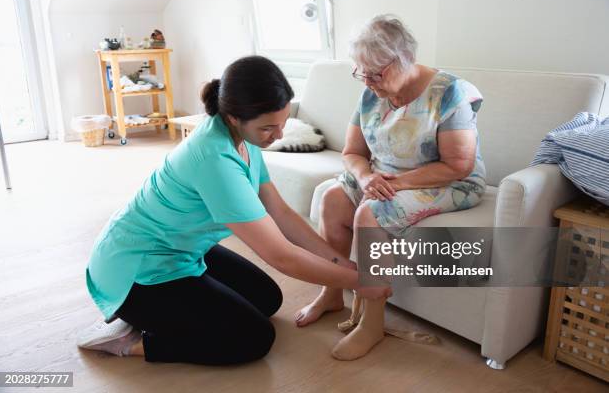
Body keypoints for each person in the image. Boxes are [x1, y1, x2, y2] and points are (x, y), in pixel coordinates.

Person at [78, 56, 390, 366]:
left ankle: (163, 317)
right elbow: (281, 255)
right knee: (253, 339)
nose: (278, 135)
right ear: (234, 117)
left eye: (281, 124)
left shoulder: (245, 137)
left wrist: (340, 264)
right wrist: (360, 281)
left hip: (179, 248)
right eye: (269, 127)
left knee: (267, 299)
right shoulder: (214, 158)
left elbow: (280, 212)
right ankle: (134, 340)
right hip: (135, 270)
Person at [295, 15, 487, 360]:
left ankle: (372, 322)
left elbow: (459, 164)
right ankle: (332, 291)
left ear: (402, 59)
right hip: (384, 176)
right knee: (331, 198)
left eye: (375, 73)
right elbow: (352, 152)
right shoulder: (372, 94)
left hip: (449, 181)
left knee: (371, 213)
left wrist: (390, 184)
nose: (366, 81)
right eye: (361, 72)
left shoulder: (450, 92)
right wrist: (367, 177)